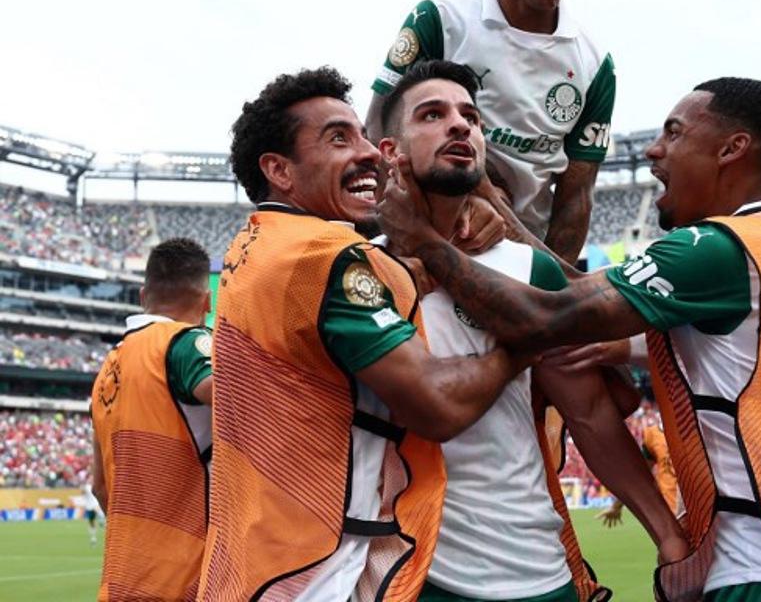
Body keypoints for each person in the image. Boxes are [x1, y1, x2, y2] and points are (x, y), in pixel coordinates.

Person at [379, 77, 761, 601]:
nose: (653, 149)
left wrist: (425, 243)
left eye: (672, 132)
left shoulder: (722, 248)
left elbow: (553, 315)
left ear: (733, 150)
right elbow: (575, 295)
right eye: (431, 114)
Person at [198, 68, 533, 601]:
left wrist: (445, 240)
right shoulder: (322, 256)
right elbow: (437, 405)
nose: (370, 152)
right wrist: (525, 339)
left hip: (251, 565)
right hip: (310, 573)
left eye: (361, 134)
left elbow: (382, 284)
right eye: (338, 138)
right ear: (279, 170)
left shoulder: (258, 247)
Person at [375, 60, 685, 601]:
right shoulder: (357, 275)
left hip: (538, 570)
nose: (459, 125)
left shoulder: (527, 271)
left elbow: (588, 414)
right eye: (432, 114)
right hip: (414, 572)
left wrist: (668, 537)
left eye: (470, 117)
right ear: (390, 151)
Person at [545, 111, 761, 492]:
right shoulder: (708, 252)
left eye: (739, 163)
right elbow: (567, 299)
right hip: (714, 503)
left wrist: (627, 339)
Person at [366, 0, 615, 263]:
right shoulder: (441, 22)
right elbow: (378, 129)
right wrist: (410, 241)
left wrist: (548, 291)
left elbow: (575, 198)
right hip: (432, 241)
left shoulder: (594, 63)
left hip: (517, 259)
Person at [90, 237, 215, 600]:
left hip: (122, 581)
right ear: (207, 302)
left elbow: (101, 488)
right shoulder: (185, 345)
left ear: (144, 296)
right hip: (186, 581)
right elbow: (251, 402)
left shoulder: (106, 372)